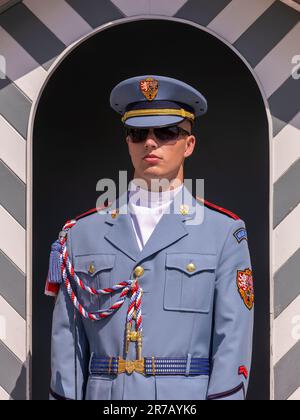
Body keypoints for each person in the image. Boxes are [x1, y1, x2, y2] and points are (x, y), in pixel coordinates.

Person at [45, 75, 254, 400]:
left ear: (189, 144)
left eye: (167, 131)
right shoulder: (81, 235)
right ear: (128, 141)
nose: (150, 142)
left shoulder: (224, 233)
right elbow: (67, 346)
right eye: (138, 132)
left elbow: (233, 343)